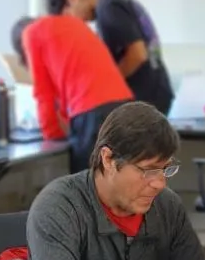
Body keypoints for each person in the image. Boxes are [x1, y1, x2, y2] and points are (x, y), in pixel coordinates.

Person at [27, 101, 203, 260]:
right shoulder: (58, 208)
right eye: (148, 170)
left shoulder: (168, 206)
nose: (160, 183)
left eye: (165, 169)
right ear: (108, 159)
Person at [11, 15, 134, 174]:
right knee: (125, 179)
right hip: (125, 107)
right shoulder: (72, 22)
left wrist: (53, 136)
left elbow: (43, 95)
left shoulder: (31, 34)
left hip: (94, 115)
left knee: (89, 184)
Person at [44, 0, 175, 116]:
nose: (79, 22)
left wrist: (108, 84)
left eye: (69, 16)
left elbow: (138, 54)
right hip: (154, 92)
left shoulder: (108, 7)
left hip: (145, 98)